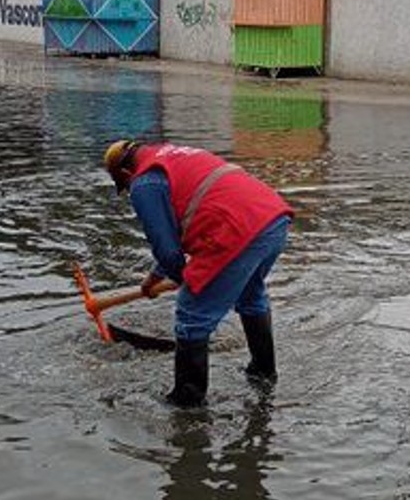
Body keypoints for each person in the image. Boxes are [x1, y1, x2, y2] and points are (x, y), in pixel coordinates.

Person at [103, 140, 293, 408]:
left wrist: (190, 283)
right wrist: (154, 279)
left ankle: (188, 401)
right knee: (251, 295)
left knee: (191, 315)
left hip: (236, 231)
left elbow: (168, 252)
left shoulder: (144, 183)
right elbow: (177, 237)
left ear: (125, 174)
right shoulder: (174, 156)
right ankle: (263, 373)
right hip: (272, 220)